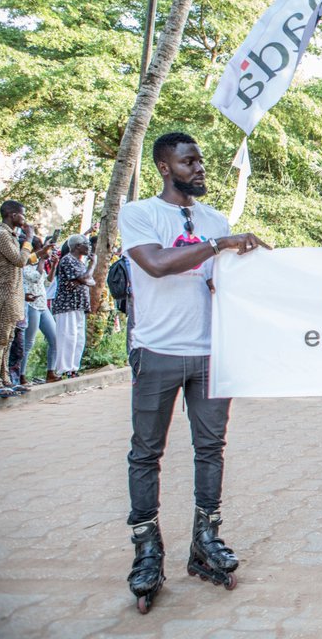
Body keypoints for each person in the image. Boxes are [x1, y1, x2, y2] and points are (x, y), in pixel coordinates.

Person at [119, 132, 270, 613]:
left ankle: (206, 538)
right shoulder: (141, 214)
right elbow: (157, 265)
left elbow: (219, 285)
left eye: (201, 160)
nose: (200, 167)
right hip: (157, 351)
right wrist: (216, 244)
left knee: (210, 449)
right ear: (165, 167)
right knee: (147, 451)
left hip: (209, 355)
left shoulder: (214, 219)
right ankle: (147, 548)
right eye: (189, 161)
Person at [0, 201, 36, 397]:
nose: (25, 219)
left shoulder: (11, 235)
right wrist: (29, 238)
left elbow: (24, 259)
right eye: (22, 215)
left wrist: (40, 254)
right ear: (12, 215)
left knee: (9, 338)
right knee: (1, 338)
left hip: (13, 294)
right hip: (3, 294)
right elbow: (20, 260)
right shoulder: (2, 234)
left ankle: (5, 378)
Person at [51, 234, 94, 379]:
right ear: (77, 246)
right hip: (67, 305)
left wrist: (82, 280)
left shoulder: (80, 262)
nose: (89, 247)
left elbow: (90, 280)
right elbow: (85, 278)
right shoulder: (68, 260)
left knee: (78, 337)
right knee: (67, 336)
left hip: (79, 304)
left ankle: (73, 368)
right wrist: (91, 267)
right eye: (86, 244)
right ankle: (64, 369)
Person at [23, 237, 59, 383]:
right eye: (40, 248)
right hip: (31, 306)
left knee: (55, 338)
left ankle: (51, 372)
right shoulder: (24, 265)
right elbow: (36, 277)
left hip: (42, 306)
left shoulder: (38, 264)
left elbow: (47, 282)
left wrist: (54, 265)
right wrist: (43, 260)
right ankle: (21, 375)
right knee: (28, 342)